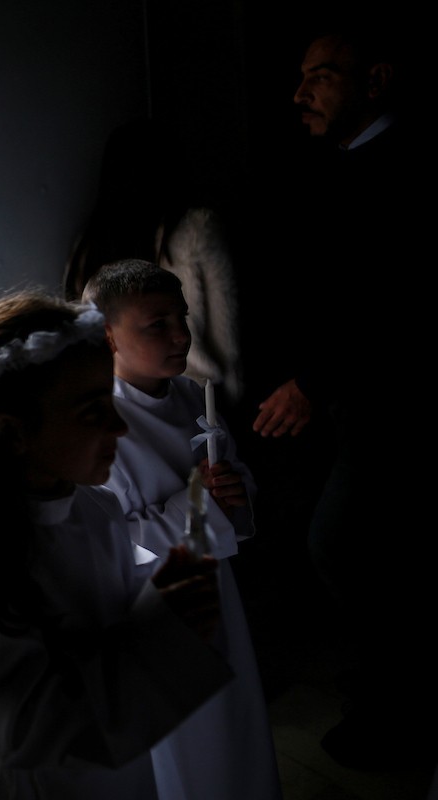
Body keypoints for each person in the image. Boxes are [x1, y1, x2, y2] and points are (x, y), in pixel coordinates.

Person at [0, 288, 233, 799]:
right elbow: (19, 731)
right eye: (92, 412)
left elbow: (106, 619)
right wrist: (164, 631)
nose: (119, 425)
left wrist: (165, 596)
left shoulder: (96, 508)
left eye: (109, 401)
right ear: (13, 432)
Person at [236, 15, 433, 771]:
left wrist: (313, 383)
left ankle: (401, 712)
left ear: (375, 80)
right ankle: (389, 689)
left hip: (395, 407)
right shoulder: (346, 163)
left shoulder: (403, 166)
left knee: (348, 544)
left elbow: (395, 304)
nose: (299, 94)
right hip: (353, 405)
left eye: (321, 75)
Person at [82, 259, 281, 800]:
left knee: (233, 727)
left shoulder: (193, 397)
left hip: (217, 593)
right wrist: (200, 506)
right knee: (187, 746)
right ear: (107, 335)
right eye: (156, 324)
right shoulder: (96, 421)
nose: (181, 335)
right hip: (152, 609)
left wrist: (234, 491)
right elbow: (107, 541)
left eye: (182, 317)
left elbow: (230, 485)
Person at [63, 118, 244, 413]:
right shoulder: (196, 229)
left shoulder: (90, 242)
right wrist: (235, 398)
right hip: (196, 397)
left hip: (119, 395)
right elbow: (226, 332)